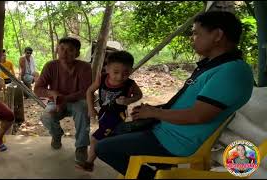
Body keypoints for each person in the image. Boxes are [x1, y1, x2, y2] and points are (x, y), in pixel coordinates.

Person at [95, 11, 254, 178]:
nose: (192, 38)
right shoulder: (215, 66)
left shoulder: (231, 71)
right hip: (167, 131)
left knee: (104, 148)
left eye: (196, 33)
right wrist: (154, 111)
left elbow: (197, 116)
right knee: (114, 131)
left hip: (175, 142)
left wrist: (154, 112)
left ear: (217, 35)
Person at [77, 51, 143, 171]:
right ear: (107, 69)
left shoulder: (130, 84)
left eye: (126, 73)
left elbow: (139, 95)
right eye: (116, 72)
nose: (120, 76)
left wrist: (128, 100)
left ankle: (89, 163)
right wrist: (91, 109)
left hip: (118, 115)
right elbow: (89, 91)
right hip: (104, 113)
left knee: (95, 138)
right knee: (112, 137)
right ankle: (127, 161)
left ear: (131, 71)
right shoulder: (102, 78)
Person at [34, 37, 92, 165]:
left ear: (77, 53)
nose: (65, 53)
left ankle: (81, 147)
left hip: (77, 101)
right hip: (56, 100)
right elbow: (37, 89)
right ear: (57, 50)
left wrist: (63, 99)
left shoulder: (85, 67)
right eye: (62, 49)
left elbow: (85, 91)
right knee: (46, 116)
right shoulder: (50, 66)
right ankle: (56, 134)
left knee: (83, 110)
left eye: (70, 50)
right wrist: (52, 93)